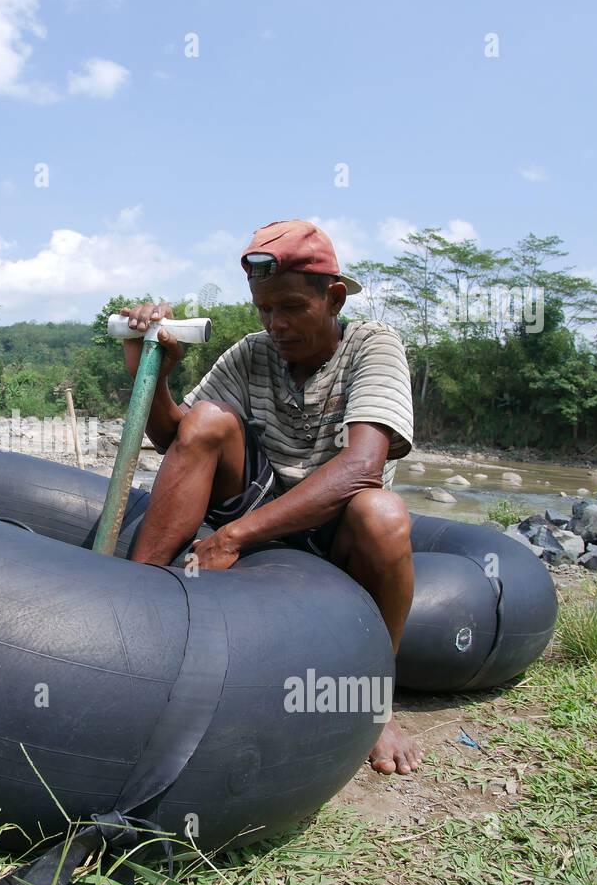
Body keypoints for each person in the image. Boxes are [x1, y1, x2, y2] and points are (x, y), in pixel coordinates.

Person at [121, 219, 421, 775]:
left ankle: (376, 701)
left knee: (383, 513)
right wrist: (152, 369)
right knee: (209, 418)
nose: (275, 324)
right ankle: (133, 609)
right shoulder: (252, 353)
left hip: (334, 523)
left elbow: (362, 467)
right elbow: (178, 439)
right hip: (262, 501)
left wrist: (233, 537)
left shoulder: (372, 345)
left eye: (290, 308)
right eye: (264, 309)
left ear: (333, 298)